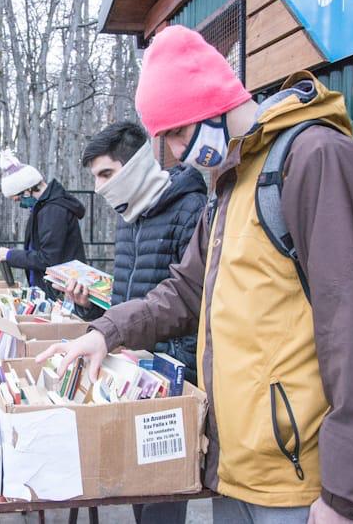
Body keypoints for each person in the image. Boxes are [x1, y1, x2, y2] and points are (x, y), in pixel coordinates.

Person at [37, 25, 353, 524]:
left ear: (213, 101)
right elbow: (186, 291)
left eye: (180, 133)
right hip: (238, 473)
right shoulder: (230, 184)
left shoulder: (315, 159)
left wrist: (348, 498)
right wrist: (106, 332)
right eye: (167, 140)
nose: (179, 153)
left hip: (305, 487)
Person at [62, 121, 207, 524]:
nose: (100, 188)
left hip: (169, 383)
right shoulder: (129, 218)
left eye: (106, 174)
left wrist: (167, 362)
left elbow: (196, 301)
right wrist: (92, 309)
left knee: (163, 495)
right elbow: (128, 299)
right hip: (129, 375)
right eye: (95, 178)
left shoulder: (190, 210)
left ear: (136, 165)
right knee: (138, 494)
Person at [0, 149, 87, 299]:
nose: (20, 204)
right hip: (52, 287)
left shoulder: (53, 211)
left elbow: (48, 259)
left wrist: (10, 255)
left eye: (18, 199)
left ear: (27, 191)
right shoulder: (44, 208)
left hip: (60, 291)